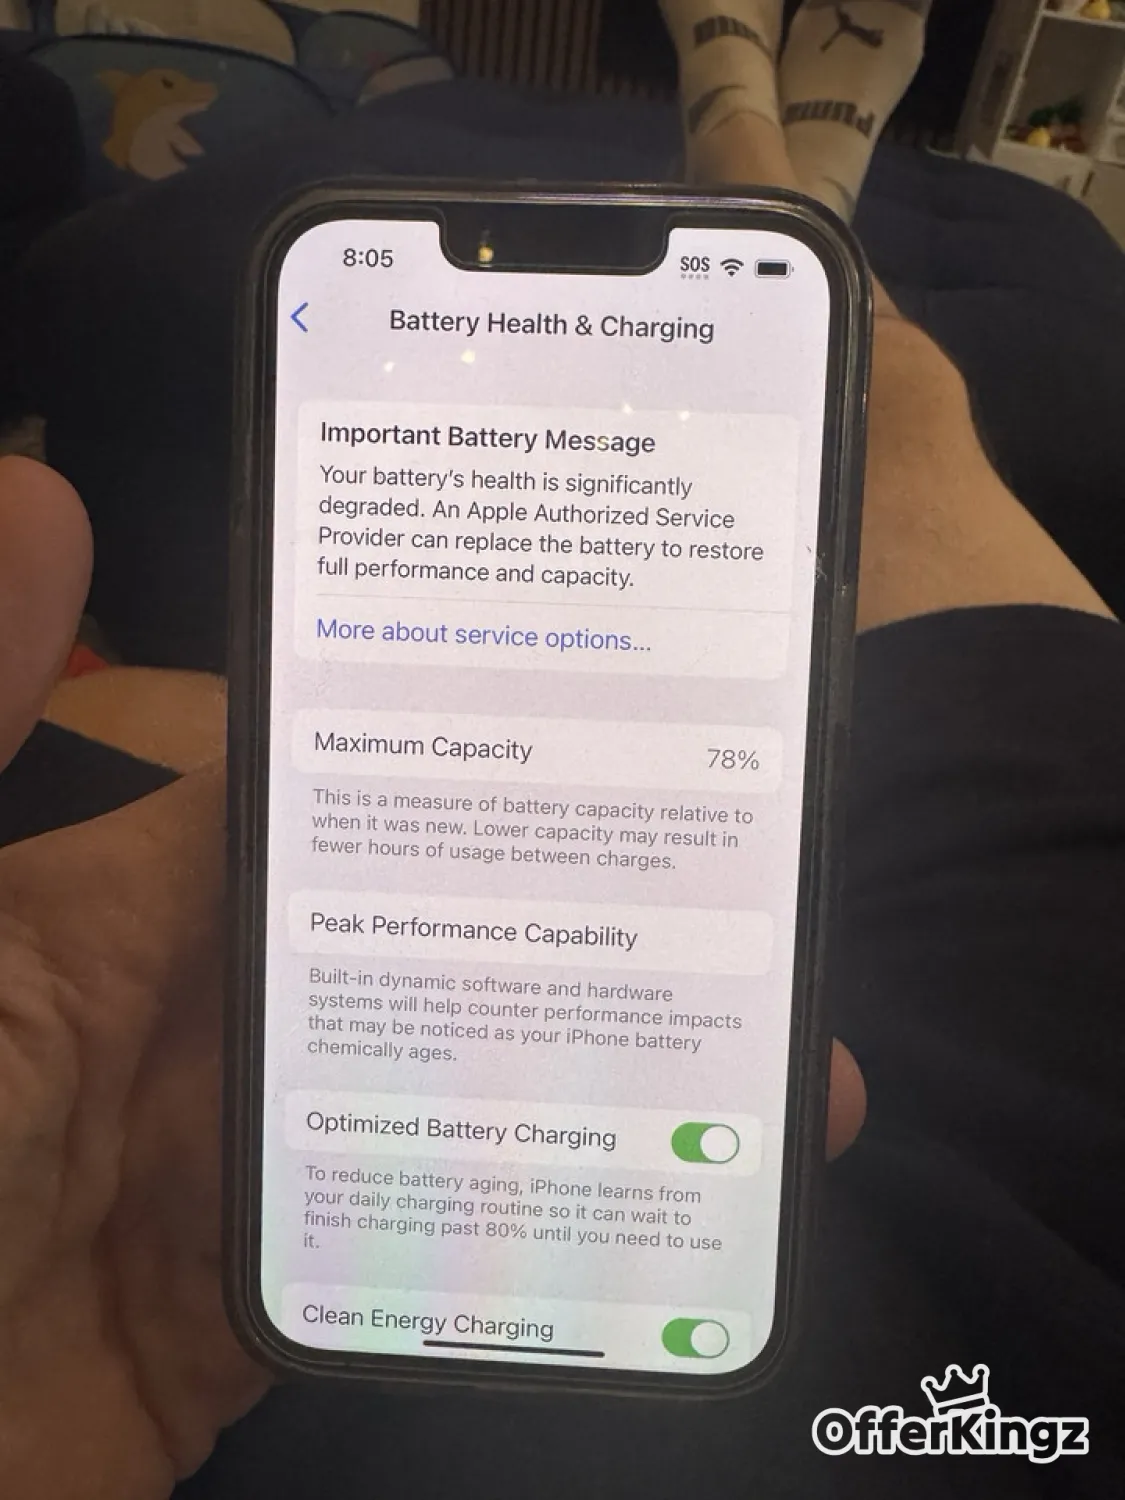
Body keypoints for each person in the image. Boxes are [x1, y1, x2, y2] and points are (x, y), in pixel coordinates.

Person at [0, 5, 1122, 1497]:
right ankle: (768, 157)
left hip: (222, 1350)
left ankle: (753, 149)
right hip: (1027, 1249)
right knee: (894, 411)